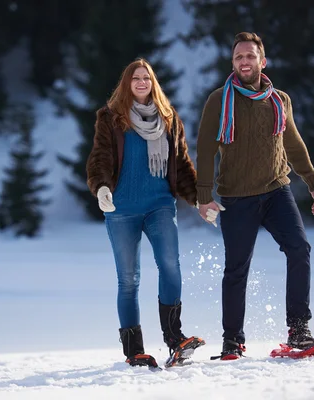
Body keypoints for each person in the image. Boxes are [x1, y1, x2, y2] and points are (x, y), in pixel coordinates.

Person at [195, 32, 314, 360]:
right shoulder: (219, 101)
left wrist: (312, 182)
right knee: (237, 268)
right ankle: (232, 341)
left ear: (262, 61)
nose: (244, 61)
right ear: (233, 63)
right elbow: (205, 149)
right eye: (239, 56)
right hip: (236, 197)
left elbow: (293, 143)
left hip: (276, 189)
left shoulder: (278, 99)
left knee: (300, 250)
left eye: (250, 56)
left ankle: (298, 331)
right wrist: (203, 195)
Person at [86, 58, 205, 368]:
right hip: (121, 209)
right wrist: (101, 188)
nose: (141, 82)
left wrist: (199, 200)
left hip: (160, 205)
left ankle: (175, 339)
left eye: (147, 78)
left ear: (153, 83)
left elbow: (181, 164)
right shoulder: (111, 118)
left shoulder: (168, 118)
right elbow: (99, 159)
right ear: (127, 83)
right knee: (129, 280)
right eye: (136, 78)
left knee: (170, 265)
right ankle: (134, 351)